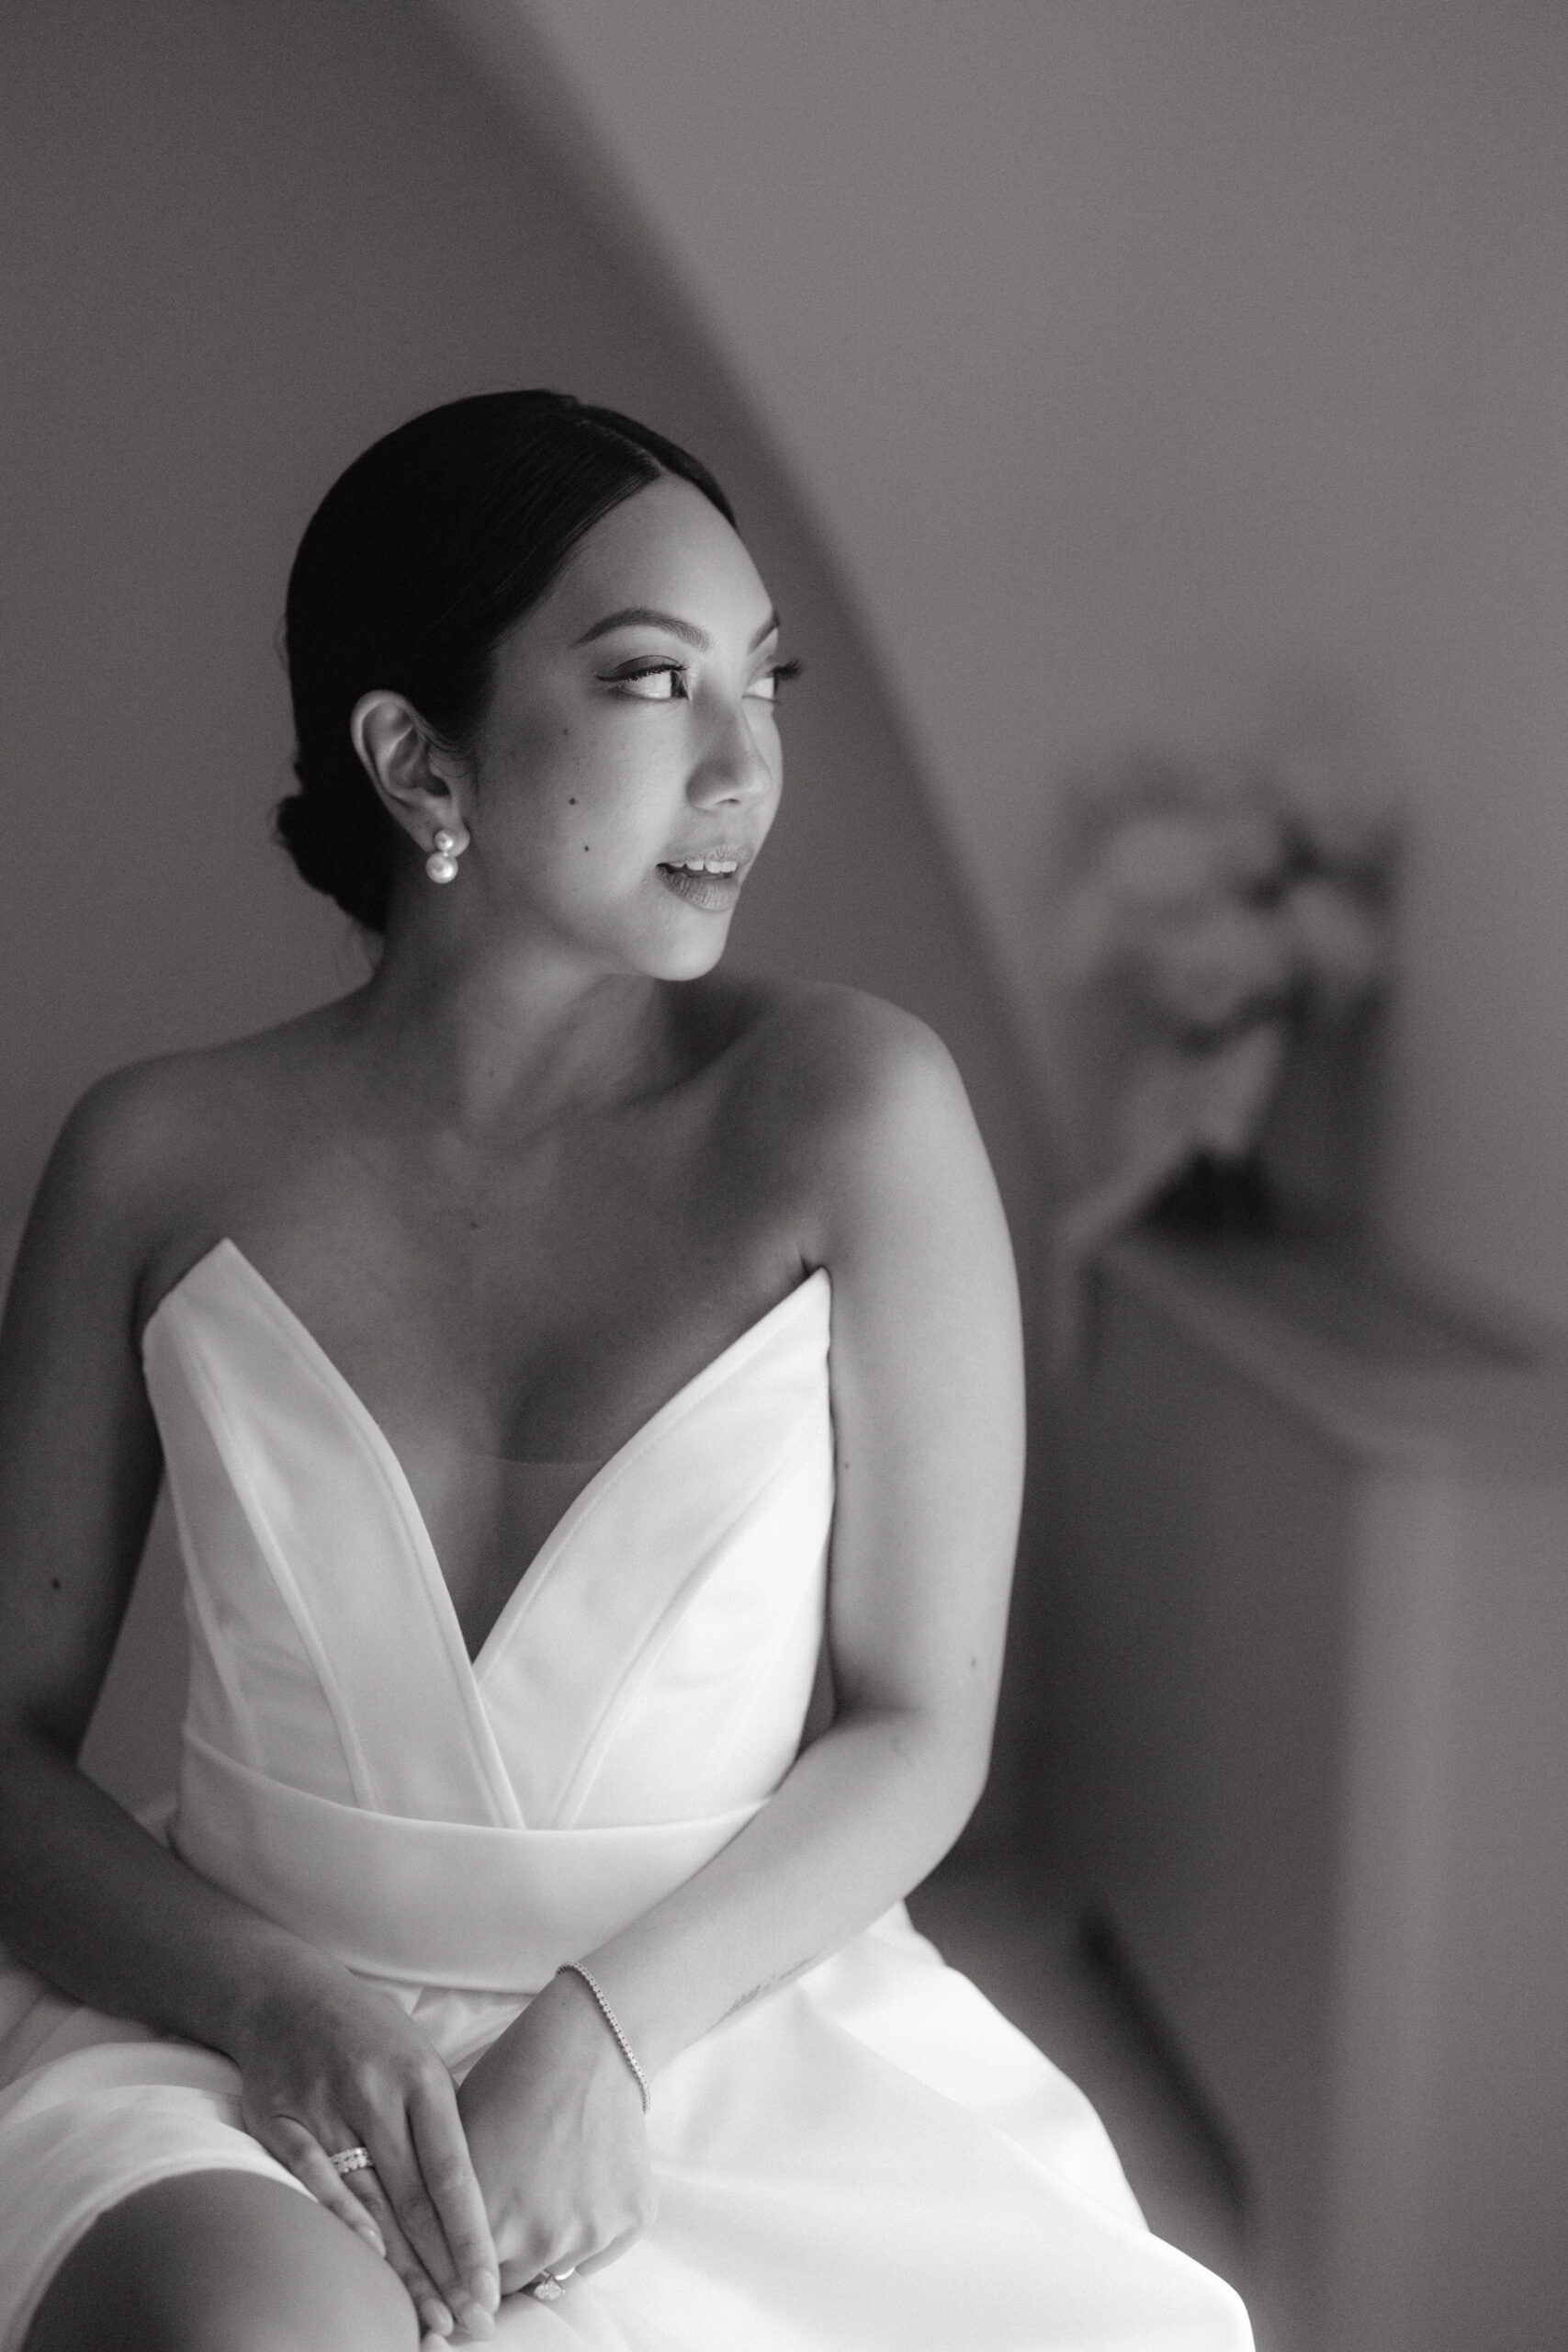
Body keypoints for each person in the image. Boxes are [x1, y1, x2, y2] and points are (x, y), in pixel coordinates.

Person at [0, 391, 1252, 2351]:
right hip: (246, 2048)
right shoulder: (155, 1157)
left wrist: (597, 2033)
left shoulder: (848, 1110)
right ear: (419, 754)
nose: (747, 760)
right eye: (652, 680)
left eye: (766, 679)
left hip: (717, 2025)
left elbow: (919, 1728)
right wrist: (269, 1999)